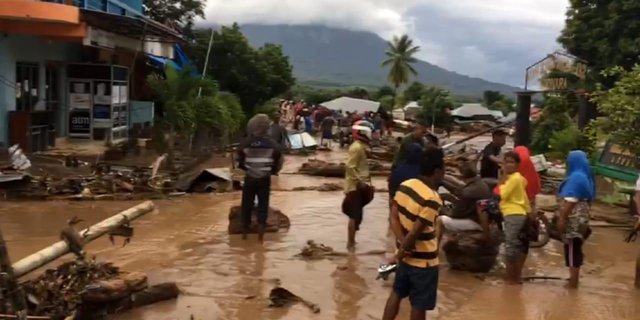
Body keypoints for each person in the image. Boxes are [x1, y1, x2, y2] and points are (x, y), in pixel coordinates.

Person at [383, 148, 445, 320]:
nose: (443, 176)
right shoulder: (432, 199)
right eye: (443, 172)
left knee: (396, 294)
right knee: (419, 306)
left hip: (405, 257)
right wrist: (403, 250)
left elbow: (393, 216)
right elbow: (415, 233)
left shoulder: (406, 185)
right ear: (436, 172)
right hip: (424, 262)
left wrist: (401, 251)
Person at [237, 114, 284, 243]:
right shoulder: (273, 144)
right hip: (264, 178)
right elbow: (278, 162)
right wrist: (271, 171)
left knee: (247, 205)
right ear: (267, 128)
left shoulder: (246, 143)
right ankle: (260, 239)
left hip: (250, 177)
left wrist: (249, 169)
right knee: (263, 206)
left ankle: (244, 235)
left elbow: (240, 162)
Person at [557, 150, 595, 288]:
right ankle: (573, 278)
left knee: (572, 249)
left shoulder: (576, 177)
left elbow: (571, 200)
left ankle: (573, 282)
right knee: (574, 247)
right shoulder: (585, 176)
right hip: (580, 219)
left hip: (573, 219)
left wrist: (562, 218)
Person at [495, 151, 530, 284]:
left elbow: (500, 194)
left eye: (511, 162)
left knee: (510, 246)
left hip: (513, 214)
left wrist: (502, 176)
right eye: (506, 162)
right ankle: (515, 277)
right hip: (518, 214)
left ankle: (511, 278)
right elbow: (524, 198)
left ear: (517, 164)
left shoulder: (514, 179)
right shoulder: (518, 178)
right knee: (516, 245)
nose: (508, 165)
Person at [437, 164, 492, 240]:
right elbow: (459, 190)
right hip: (483, 219)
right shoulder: (480, 183)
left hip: (475, 222)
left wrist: (440, 207)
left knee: (440, 219)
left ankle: (436, 246)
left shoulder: (468, 192)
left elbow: (455, 214)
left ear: (462, 176)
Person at [342, 120, 375, 248]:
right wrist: (360, 181)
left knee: (356, 214)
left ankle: (352, 241)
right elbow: (350, 167)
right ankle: (350, 243)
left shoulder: (360, 147)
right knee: (354, 215)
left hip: (359, 185)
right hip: (355, 186)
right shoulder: (356, 147)